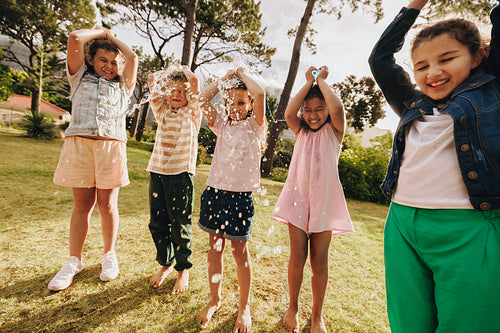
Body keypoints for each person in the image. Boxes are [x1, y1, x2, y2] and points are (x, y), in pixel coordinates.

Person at [368, 0, 500, 332]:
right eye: (421, 66)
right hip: (401, 224)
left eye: (447, 59)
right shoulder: (412, 102)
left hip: (468, 227)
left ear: (479, 55)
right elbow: (380, 59)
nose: (433, 73)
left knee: (470, 324)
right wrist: (415, 5)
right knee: (409, 324)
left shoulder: (492, 89)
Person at [49, 28, 138, 291]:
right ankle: (73, 261)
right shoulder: (78, 77)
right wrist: (102, 32)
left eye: (113, 62)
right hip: (80, 146)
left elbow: (131, 57)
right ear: (90, 59)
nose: (109, 66)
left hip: (110, 148)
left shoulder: (124, 84)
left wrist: (112, 41)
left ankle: (109, 256)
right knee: (82, 205)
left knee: (107, 205)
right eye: (103, 60)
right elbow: (75, 38)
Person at [271, 66, 353, 333]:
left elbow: (339, 110)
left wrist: (323, 82)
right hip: (298, 201)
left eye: (319, 109)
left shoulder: (335, 132)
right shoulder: (300, 131)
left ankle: (317, 316)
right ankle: (293, 307)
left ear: (327, 111)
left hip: (324, 205)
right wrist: (308, 83)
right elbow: (287, 113)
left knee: (319, 260)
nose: (313, 115)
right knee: (297, 256)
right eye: (308, 110)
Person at [195, 67, 266, 333]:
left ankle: (243, 308)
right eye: (230, 101)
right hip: (215, 193)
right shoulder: (221, 125)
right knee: (215, 249)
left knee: (239, 252)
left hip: (240, 199)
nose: (234, 107)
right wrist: (223, 80)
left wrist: (241, 73)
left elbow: (259, 93)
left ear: (249, 106)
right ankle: (215, 299)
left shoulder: (255, 127)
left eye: (240, 102)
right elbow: (202, 99)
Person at [146, 65, 201, 294]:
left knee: (180, 224)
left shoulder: (194, 112)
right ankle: (165, 263)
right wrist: (171, 72)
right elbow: (151, 79)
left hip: (180, 174)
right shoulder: (162, 109)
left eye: (183, 91)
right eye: (173, 90)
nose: (177, 94)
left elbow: (195, 83)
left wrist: (185, 72)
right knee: (157, 222)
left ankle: (183, 269)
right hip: (158, 172)